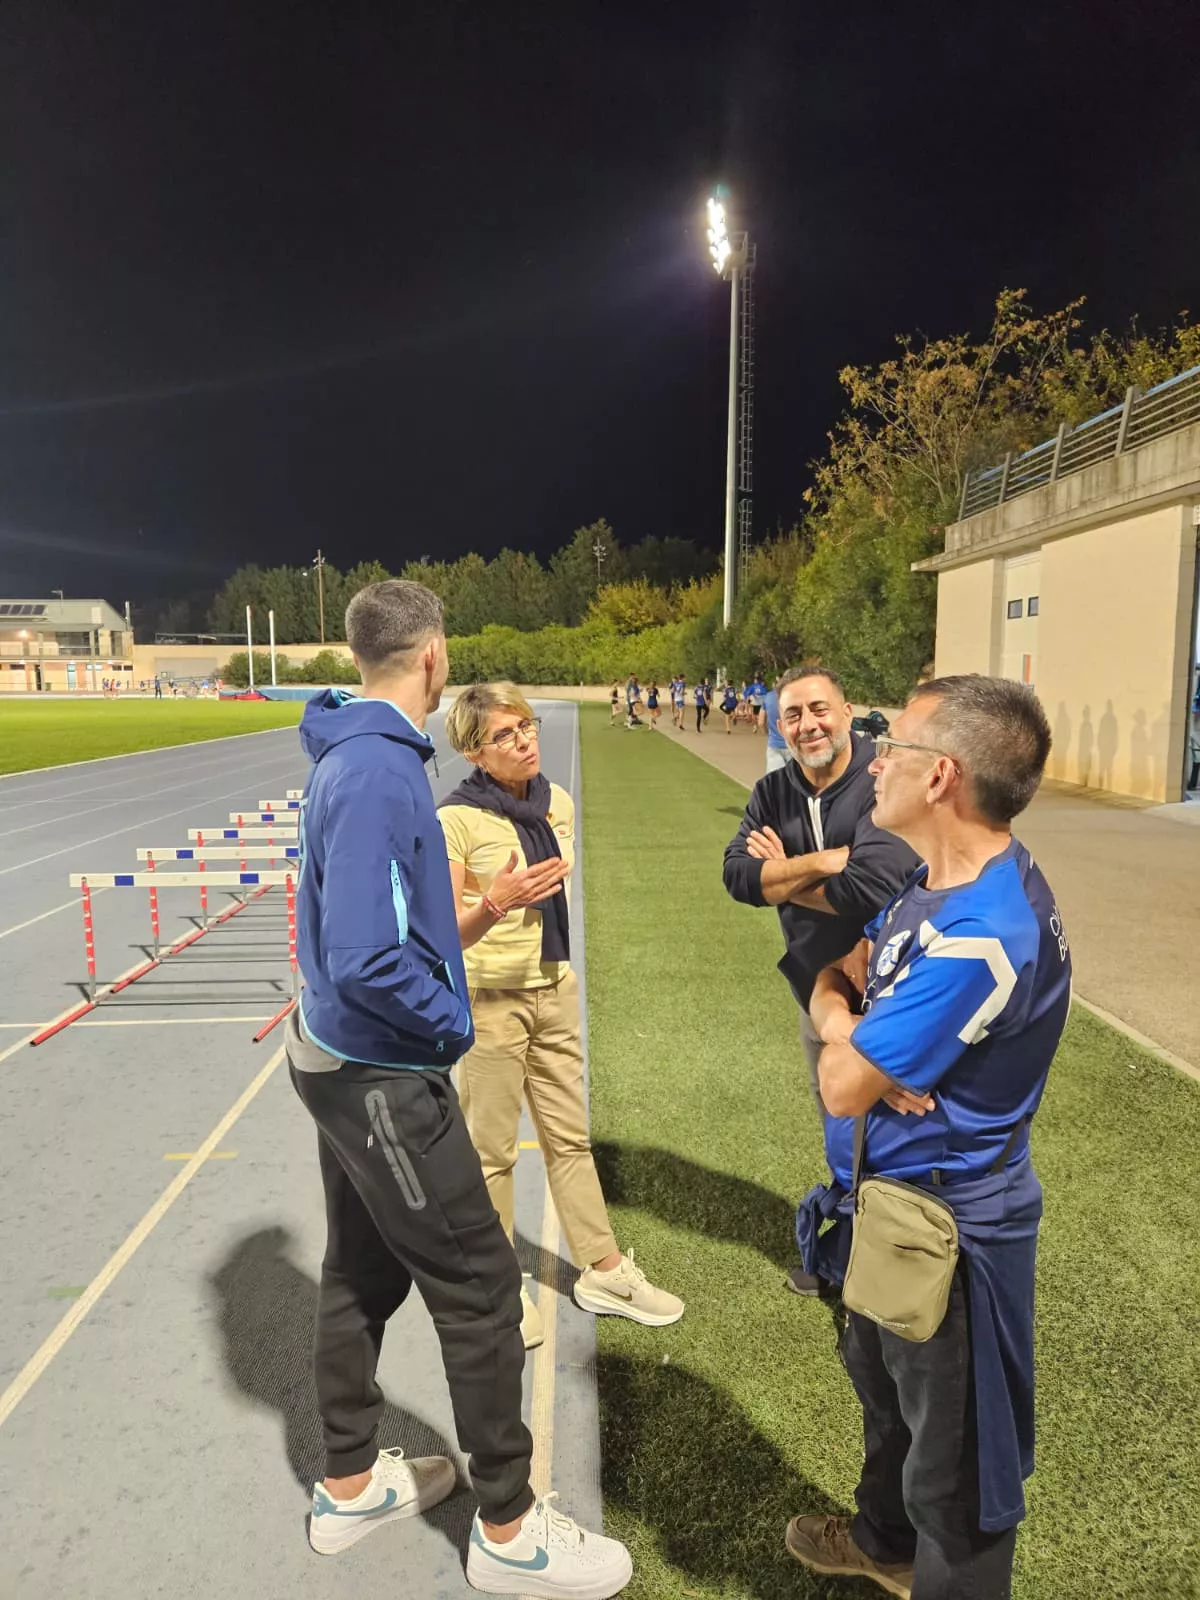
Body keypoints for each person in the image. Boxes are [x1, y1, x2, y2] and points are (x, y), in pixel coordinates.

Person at [287, 581, 632, 1597]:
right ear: (433, 655)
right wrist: (449, 1022)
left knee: (360, 1271)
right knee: (483, 1291)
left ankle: (351, 1483)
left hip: (340, 1057)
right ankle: (511, 1531)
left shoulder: (358, 751)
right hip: (380, 1073)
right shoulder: (375, 770)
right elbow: (364, 955)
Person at [786, 675, 1071, 1600]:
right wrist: (854, 1025)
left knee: (959, 1478)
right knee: (892, 1404)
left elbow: (840, 1085)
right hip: (889, 1209)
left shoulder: (985, 931)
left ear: (942, 775)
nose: (874, 761)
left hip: (950, 1235)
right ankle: (884, 1543)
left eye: (893, 744)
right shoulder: (934, 881)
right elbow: (835, 970)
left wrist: (848, 1040)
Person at [438, 682, 684, 1352]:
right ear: (474, 752)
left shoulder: (557, 803)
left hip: (554, 987)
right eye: (504, 735)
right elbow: (443, 933)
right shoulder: (454, 820)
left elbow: (555, 888)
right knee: (491, 1153)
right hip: (491, 998)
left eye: (526, 727)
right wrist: (495, 902)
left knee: (570, 1140)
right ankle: (499, 1287)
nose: (524, 741)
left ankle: (603, 1270)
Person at [722, 666, 919, 1294]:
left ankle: (899, 1275)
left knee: (899, 1134)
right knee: (840, 1127)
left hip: (892, 995)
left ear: (847, 712)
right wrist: (822, 862)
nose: (808, 725)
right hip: (815, 991)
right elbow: (737, 878)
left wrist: (782, 877)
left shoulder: (878, 781)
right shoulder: (772, 792)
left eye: (819, 709)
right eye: (793, 714)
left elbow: (870, 886)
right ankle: (849, 1257)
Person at [763, 680, 789, 773]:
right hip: (791, 744)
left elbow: (761, 722)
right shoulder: (792, 696)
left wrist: (767, 733)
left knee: (775, 778)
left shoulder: (768, 697)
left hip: (774, 744)